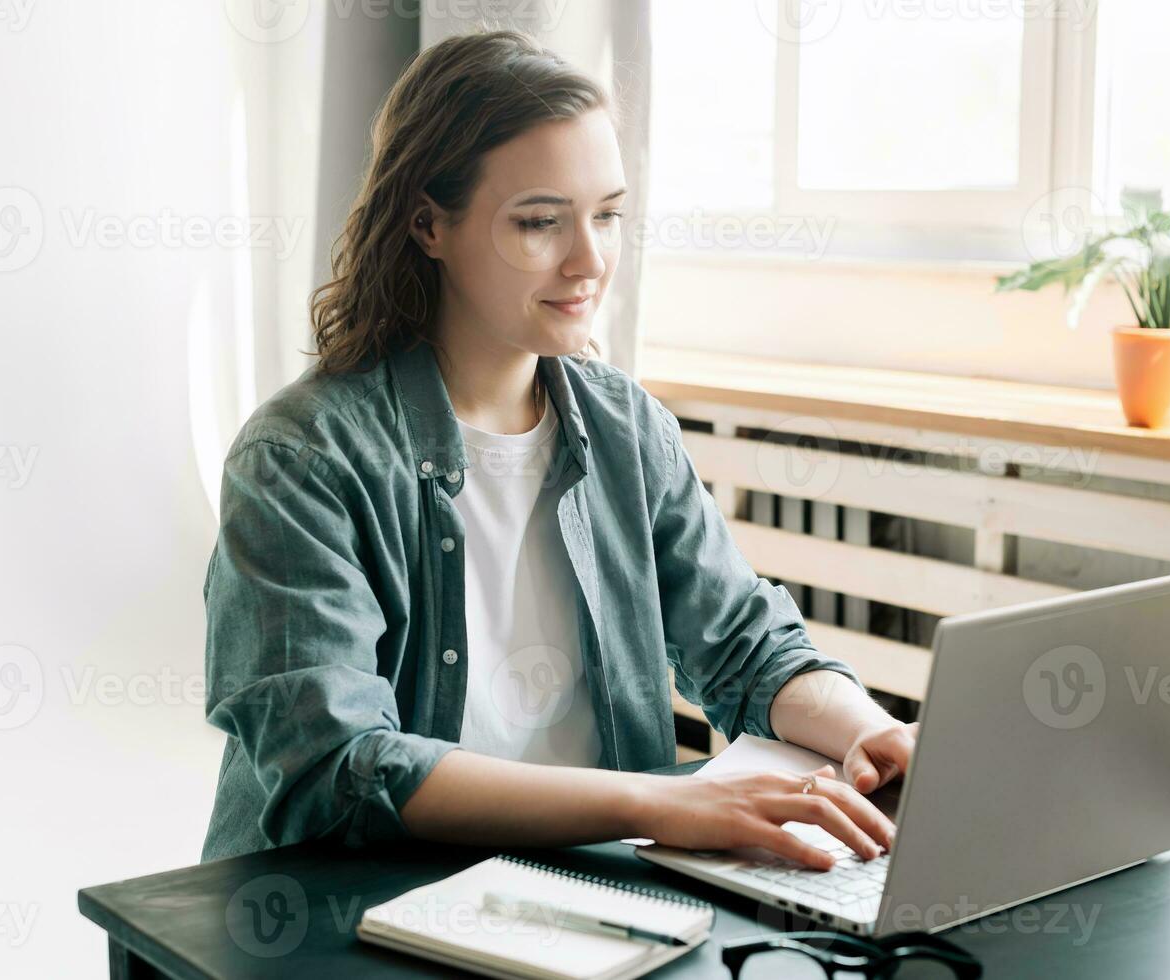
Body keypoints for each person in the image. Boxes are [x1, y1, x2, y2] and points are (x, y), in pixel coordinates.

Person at [200, 28, 918, 869]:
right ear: (428, 224)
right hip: (357, 908)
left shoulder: (627, 428)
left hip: (585, 893)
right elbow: (341, 770)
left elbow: (745, 645)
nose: (590, 261)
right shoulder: (300, 460)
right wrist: (667, 800)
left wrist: (874, 730)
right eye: (541, 222)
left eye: (607, 216)